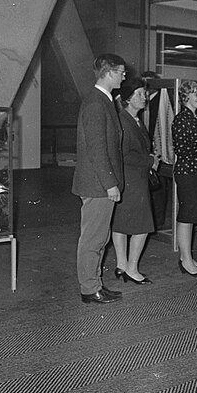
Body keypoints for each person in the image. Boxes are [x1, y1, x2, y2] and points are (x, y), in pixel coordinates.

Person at [72, 53, 126, 304]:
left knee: (99, 238)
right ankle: (88, 288)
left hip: (98, 184)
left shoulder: (103, 100)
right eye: (121, 71)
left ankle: (94, 284)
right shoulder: (96, 103)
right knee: (93, 238)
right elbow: (97, 149)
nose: (124, 76)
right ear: (109, 72)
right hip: (97, 185)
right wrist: (110, 183)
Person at [111, 78, 160, 285]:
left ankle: (122, 265)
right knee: (142, 225)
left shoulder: (134, 119)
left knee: (121, 223)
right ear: (128, 98)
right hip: (133, 179)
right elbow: (123, 155)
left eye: (144, 93)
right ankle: (131, 268)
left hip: (130, 179)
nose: (144, 97)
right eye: (139, 94)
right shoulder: (124, 121)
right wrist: (150, 160)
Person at [172, 80, 197, 277]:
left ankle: (186, 256)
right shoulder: (182, 118)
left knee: (190, 214)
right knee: (187, 216)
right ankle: (185, 260)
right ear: (185, 96)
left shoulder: (195, 117)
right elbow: (182, 150)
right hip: (187, 172)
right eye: (196, 94)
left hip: (195, 172)